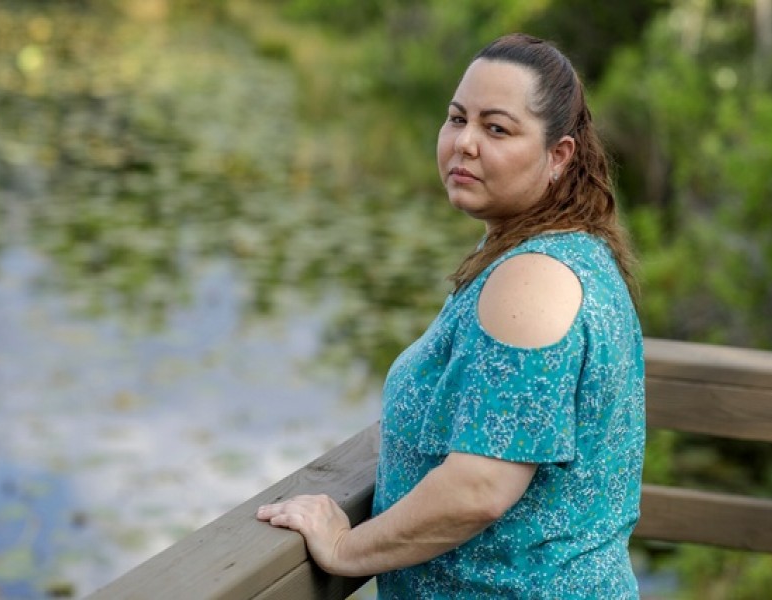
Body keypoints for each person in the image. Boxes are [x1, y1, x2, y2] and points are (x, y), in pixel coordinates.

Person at [257, 33, 645, 598]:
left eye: (497, 128)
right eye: (456, 118)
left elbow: (479, 488)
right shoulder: (574, 251)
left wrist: (344, 548)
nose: (464, 143)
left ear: (558, 155)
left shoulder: (533, 278)